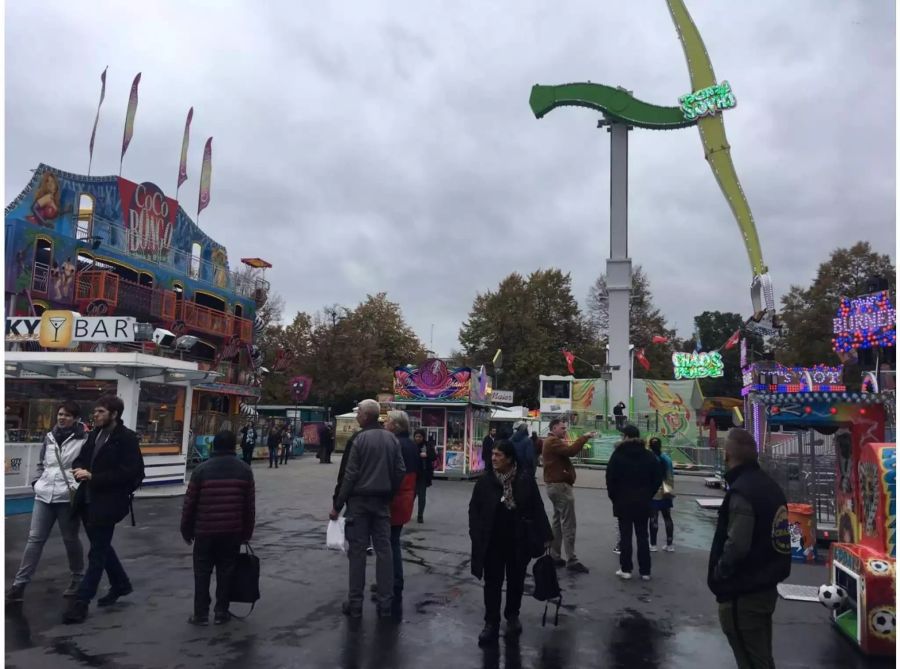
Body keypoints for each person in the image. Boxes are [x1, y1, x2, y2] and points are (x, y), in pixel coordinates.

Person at [709, 428, 792, 669]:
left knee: (749, 658)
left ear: (727, 455)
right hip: (765, 584)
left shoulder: (742, 491)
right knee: (761, 655)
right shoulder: (770, 487)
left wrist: (720, 573)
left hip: (742, 590)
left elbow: (737, 545)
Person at [63, 395, 144, 624]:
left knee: (96, 553)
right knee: (102, 546)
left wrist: (93, 477)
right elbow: (80, 459)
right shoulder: (95, 435)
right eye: (95, 412)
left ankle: (81, 602)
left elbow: (129, 472)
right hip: (87, 501)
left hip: (108, 504)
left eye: (100, 412)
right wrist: (79, 469)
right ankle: (121, 584)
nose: (96, 415)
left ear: (114, 414)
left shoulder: (126, 439)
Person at [468, 439, 552, 646]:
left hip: (518, 540)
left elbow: (537, 507)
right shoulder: (485, 481)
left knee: (516, 581)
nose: (494, 458)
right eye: (493, 454)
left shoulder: (524, 479)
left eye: (499, 455)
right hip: (492, 541)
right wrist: (476, 534)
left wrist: (545, 534)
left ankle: (512, 615)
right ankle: (491, 623)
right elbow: (474, 510)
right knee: (493, 583)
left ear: (510, 458)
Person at [330, 399, 406, 618]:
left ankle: (355, 604)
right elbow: (400, 470)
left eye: (359, 413)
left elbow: (350, 475)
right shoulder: (391, 439)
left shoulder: (360, 439)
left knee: (358, 553)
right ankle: (385, 604)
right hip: (382, 503)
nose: (356, 417)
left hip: (359, 504)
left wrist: (338, 505)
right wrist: (390, 491)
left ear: (365, 416)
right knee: (384, 552)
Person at [7, 401, 89, 603]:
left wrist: (79, 487)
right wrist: (37, 482)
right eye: (60, 414)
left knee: (70, 539)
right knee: (34, 540)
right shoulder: (49, 437)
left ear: (76, 419)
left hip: (67, 496)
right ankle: (20, 584)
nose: (62, 418)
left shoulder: (84, 440)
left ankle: (77, 578)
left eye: (68, 415)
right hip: (44, 495)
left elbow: (87, 466)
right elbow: (41, 463)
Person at [180, 430, 255, 626]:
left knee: (202, 571)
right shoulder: (244, 470)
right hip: (232, 531)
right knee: (226, 570)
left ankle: (200, 613)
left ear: (214, 445)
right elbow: (249, 506)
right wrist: (246, 532)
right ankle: (221, 611)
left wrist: (186, 529)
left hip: (204, 530)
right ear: (234, 446)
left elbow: (190, 503)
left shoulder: (202, 470)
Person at [606, 425, 663, 581]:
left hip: (623, 501)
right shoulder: (648, 455)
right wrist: (648, 494)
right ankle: (645, 571)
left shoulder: (617, 455)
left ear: (626, 437)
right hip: (643, 501)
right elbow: (658, 478)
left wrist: (615, 497)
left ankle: (626, 569)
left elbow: (610, 479)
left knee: (625, 536)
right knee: (642, 535)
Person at [541, 419, 594, 573]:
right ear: (554, 428)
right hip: (560, 486)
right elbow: (571, 451)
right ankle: (572, 559)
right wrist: (584, 437)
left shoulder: (550, 441)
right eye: (562, 428)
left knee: (558, 521)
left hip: (554, 485)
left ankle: (555, 555)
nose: (565, 430)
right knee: (568, 523)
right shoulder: (553, 441)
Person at [384, 411, 419, 603]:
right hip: (406, 496)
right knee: (393, 540)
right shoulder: (411, 444)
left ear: (396, 426)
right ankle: (393, 579)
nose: (385, 424)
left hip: (395, 497)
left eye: (388, 421)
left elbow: (393, 473)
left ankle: (393, 580)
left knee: (390, 542)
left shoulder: (395, 444)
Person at [648, 437, 675, 552]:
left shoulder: (649, 459)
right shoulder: (666, 459)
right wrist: (668, 491)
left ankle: (653, 545)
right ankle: (669, 545)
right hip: (665, 490)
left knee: (653, 518)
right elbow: (670, 476)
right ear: (660, 446)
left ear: (649, 446)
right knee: (667, 517)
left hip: (652, 492)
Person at [413, 428, 436, 523]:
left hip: (423, 474)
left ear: (423, 437)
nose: (418, 438)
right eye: (416, 436)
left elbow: (434, 457)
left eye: (420, 436)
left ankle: (420, 515)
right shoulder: (412, 445)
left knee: (422, 496)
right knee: (411, 495)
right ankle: (407, 512)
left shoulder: (428, 445)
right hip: (413, 473)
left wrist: (427, 454)